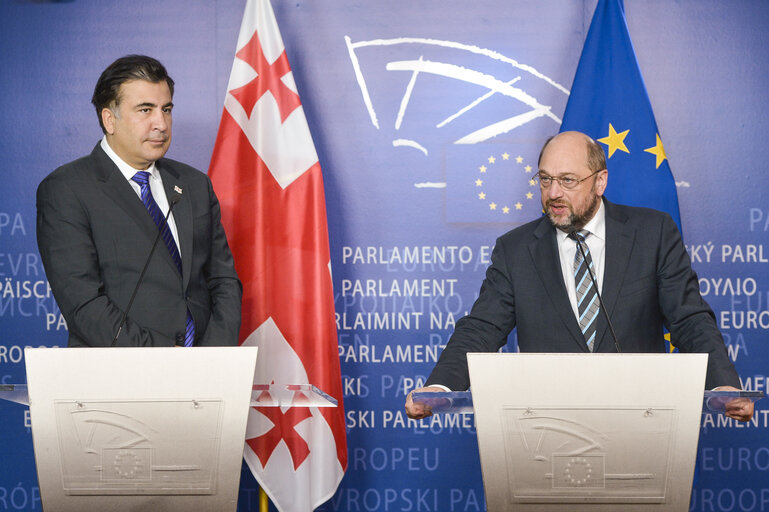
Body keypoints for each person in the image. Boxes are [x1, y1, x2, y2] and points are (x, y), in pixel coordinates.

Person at [405, 131, 753, 422]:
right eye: (545, 179)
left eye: (567, 180)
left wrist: (722, 383)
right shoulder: (515, 250)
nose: (553, 193)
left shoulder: (653, 233)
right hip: (547, 432)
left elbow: (689, 319)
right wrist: (440, 388)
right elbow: (481, 329)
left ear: (600, 181)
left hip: (640, 423)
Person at [37, 55, 242, 347]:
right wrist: (162, 359)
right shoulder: (67, 190)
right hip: (119, 380)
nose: (161, 123)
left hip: (206, 376)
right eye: (145, 110)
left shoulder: (194, 185)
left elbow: (223, 282)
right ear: (110, 119)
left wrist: (212, 357)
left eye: (166, 109)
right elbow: (84, 304)